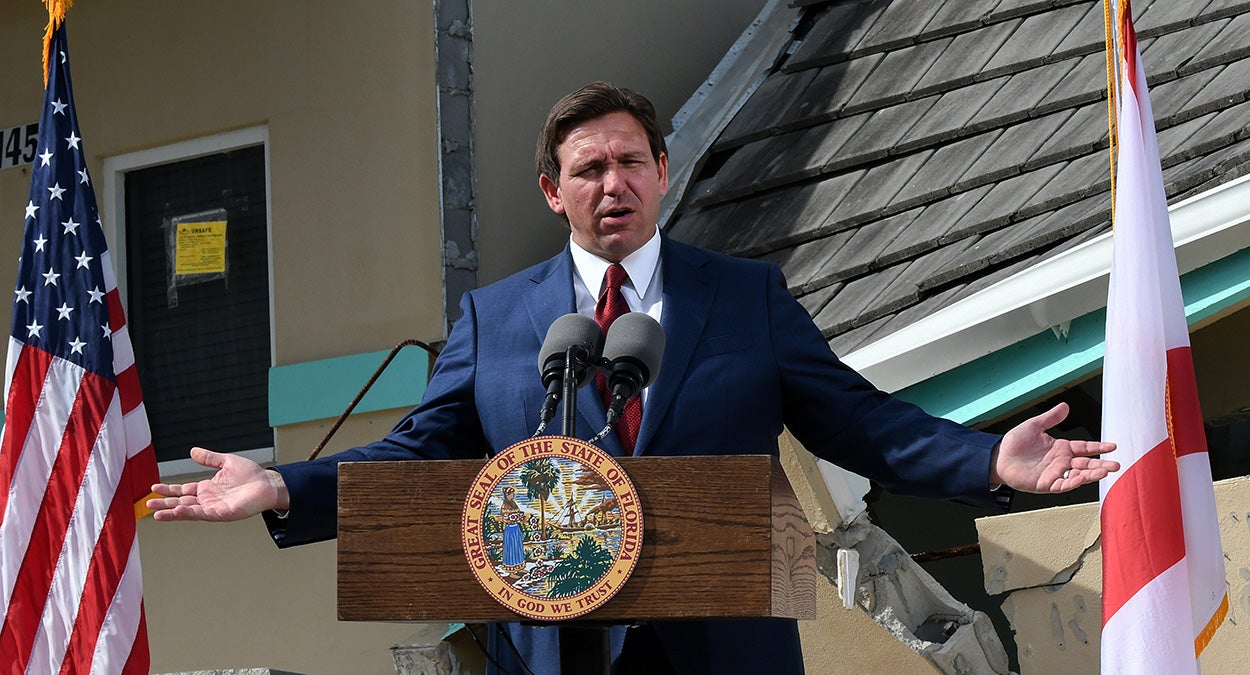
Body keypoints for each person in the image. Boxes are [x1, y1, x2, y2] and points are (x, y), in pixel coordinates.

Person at [148, 82, 1118, 674]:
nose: (610, 184)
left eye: (628, 162)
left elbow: (858, 422)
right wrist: (285, 484)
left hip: (727, 637)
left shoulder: (746, 297)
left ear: (661, 171)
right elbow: (421, 453)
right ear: (552, 191)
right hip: (552, 646)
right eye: (586, 169)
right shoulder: (495, 318)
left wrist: (987, 459)